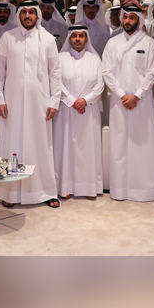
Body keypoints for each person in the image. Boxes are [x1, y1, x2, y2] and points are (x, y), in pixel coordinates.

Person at [0, 1, 62, 208]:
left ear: (37, 15)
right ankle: (10, 193)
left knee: (40, 145)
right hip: (12, 102)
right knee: (11, 144)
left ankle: (45, 192)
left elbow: (55, 73)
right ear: (19, 16)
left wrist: (54, 101)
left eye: (31, 12)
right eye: (24, 12)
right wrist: (0, 99)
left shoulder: (48, 39)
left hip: (40, 102)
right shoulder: (8, 37)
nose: (28, 16)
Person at [102, 5, 154, 202]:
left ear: (139, 20)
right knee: (119, 145)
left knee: (143, 144)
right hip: (119, 103)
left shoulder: (149, 42)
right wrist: (121, 95)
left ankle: (145, 191)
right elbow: (107, 73)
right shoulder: (112, 43)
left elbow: (152, 73)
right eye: (125, 17)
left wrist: (137, 95)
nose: (127, 21)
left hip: (142, 103)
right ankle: (120, 190)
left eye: (132, 18)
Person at [53, 26, 104, 200]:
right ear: (69, 39)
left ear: (86, 38)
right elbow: (55, 81)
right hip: (65, 110)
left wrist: (85, 100)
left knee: (88, 149)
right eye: (74, 36)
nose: (77, 39)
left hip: (89, 111)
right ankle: (65, 187)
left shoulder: (95, 59)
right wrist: (71, 101)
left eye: (81, 36)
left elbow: (100, 84)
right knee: (65, 148)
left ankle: (89, 188)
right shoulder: (59, 58)